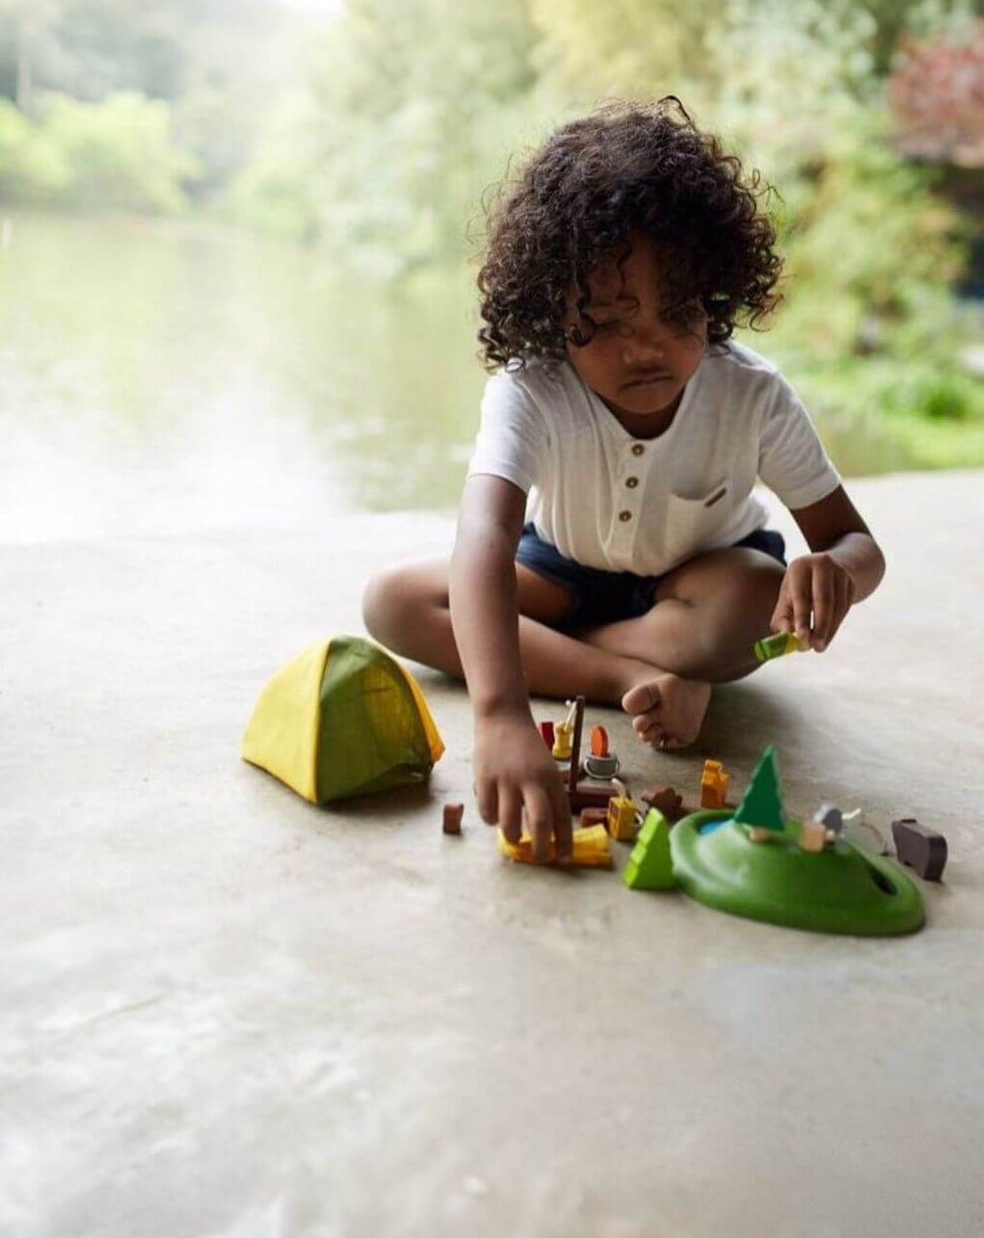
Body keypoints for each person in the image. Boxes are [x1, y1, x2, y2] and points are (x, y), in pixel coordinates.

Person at [362, 98, 885, 862]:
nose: (648, 346)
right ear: (550, 308)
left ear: (716, 293)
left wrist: (835, 570)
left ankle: (542, 648)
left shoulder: (750, 395)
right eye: (609, 320)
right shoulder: (529, 389)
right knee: (395, 601)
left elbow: (854, 541)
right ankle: (624, 672)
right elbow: (483, 537)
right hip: (563, 569)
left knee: (752, 610)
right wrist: (500, 710)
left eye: (677, 311)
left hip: (697, 587)